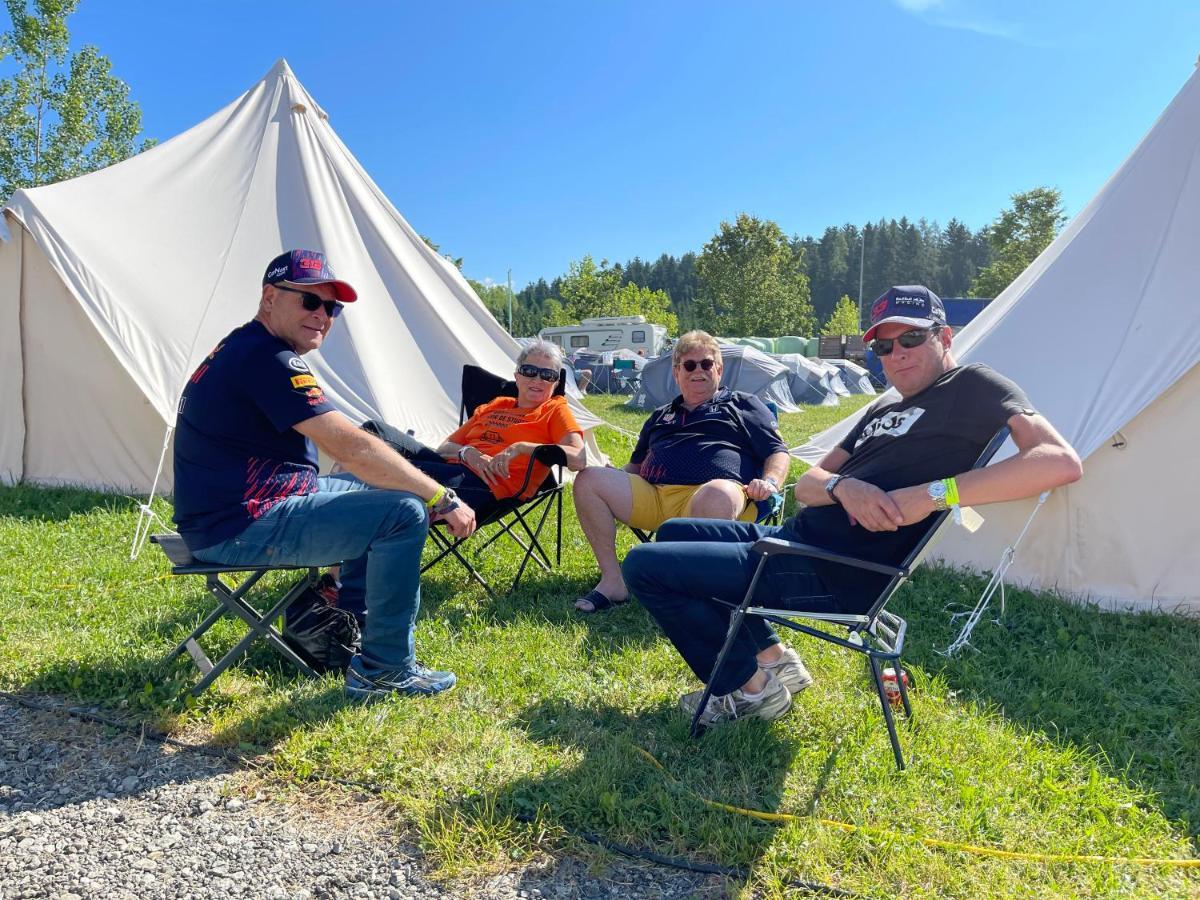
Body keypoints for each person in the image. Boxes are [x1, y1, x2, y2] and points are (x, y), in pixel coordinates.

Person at [622, 286, 1083, 727]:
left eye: (911, 338)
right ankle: (773, 660)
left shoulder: (973, 385)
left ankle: (749, 689)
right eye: (883, 346)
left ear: (944, 337)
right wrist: (846, 488)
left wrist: (932, 494)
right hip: (799, 541)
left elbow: (1058, 462)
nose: (896, 353)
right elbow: (810, 486)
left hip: (835, 568)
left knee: (644, 566)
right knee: (676, 532)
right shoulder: (882, 410)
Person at [172, 249, 477, 700]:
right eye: (310, 302)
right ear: (270, 296)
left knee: (383, 486)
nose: (323, 316)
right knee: (403, 512)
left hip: (239, 510)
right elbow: (349, 446)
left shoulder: (250, 346)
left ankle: (351, 621)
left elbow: (352, 452)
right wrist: (441, 497)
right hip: (240, 524)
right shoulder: (266, 358)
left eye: (331, 307)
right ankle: (385, 668)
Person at [572, 330, 791, 613]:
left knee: (715, 493)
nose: (697, 370)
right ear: (677, 373)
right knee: (590, 479)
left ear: (719, 369)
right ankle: (613, 582)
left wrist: (770, 481)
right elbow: (636, 466)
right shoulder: (661, 415)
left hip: (721, 497)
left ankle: (695, 589)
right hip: (655, 496)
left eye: (706, 364)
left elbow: (777, 451)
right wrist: (614, 475)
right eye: (689, 365)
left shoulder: (743, 404)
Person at [364, 340, 587, 515]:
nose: (538, 380)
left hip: (487, 486)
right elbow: (445, 447)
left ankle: (340, 568)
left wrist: (521, 447)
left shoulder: (554, 410)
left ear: (555, 383)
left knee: (383, 469)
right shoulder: (496, 404)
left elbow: (578, 459)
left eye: (547, 375)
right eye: (529, 371)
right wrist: (468, 453)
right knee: (373, 431)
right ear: (517, 375)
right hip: (452, 467)